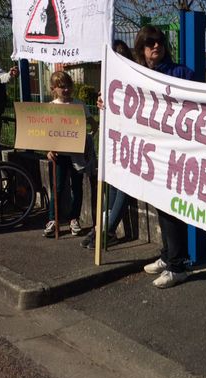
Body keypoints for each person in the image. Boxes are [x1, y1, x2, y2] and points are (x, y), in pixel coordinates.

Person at [133, 25, 195, 288]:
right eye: (150, 42)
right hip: (151, 151)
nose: (155, 46)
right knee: (160, 204)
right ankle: (167, 255)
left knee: (172, 208)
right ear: (142, 48)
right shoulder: (135, 75)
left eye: (159, 41)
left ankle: (178, 265)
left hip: (175, 151)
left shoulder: (181, 73)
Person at [82, 39, 134, 250]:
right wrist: (101, 104)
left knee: (123, 186)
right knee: (111, 184)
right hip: (114, 142)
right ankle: (101, 227)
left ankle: (108, 229)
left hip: (131, 143)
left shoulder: (134, 79)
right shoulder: (107, 82)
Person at [43, 71, 98, 238]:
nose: (66, 90)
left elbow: (92, 123)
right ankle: (54, 220)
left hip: (76, 154)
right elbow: (46, 132)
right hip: (59, 154)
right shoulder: (51, 107)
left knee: (77, 187)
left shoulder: (79, 105)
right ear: (53, 89)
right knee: (57, 187)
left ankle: (74, 219)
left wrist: (87, 138)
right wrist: (49, 150)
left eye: (68, 86)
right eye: (61, 87)